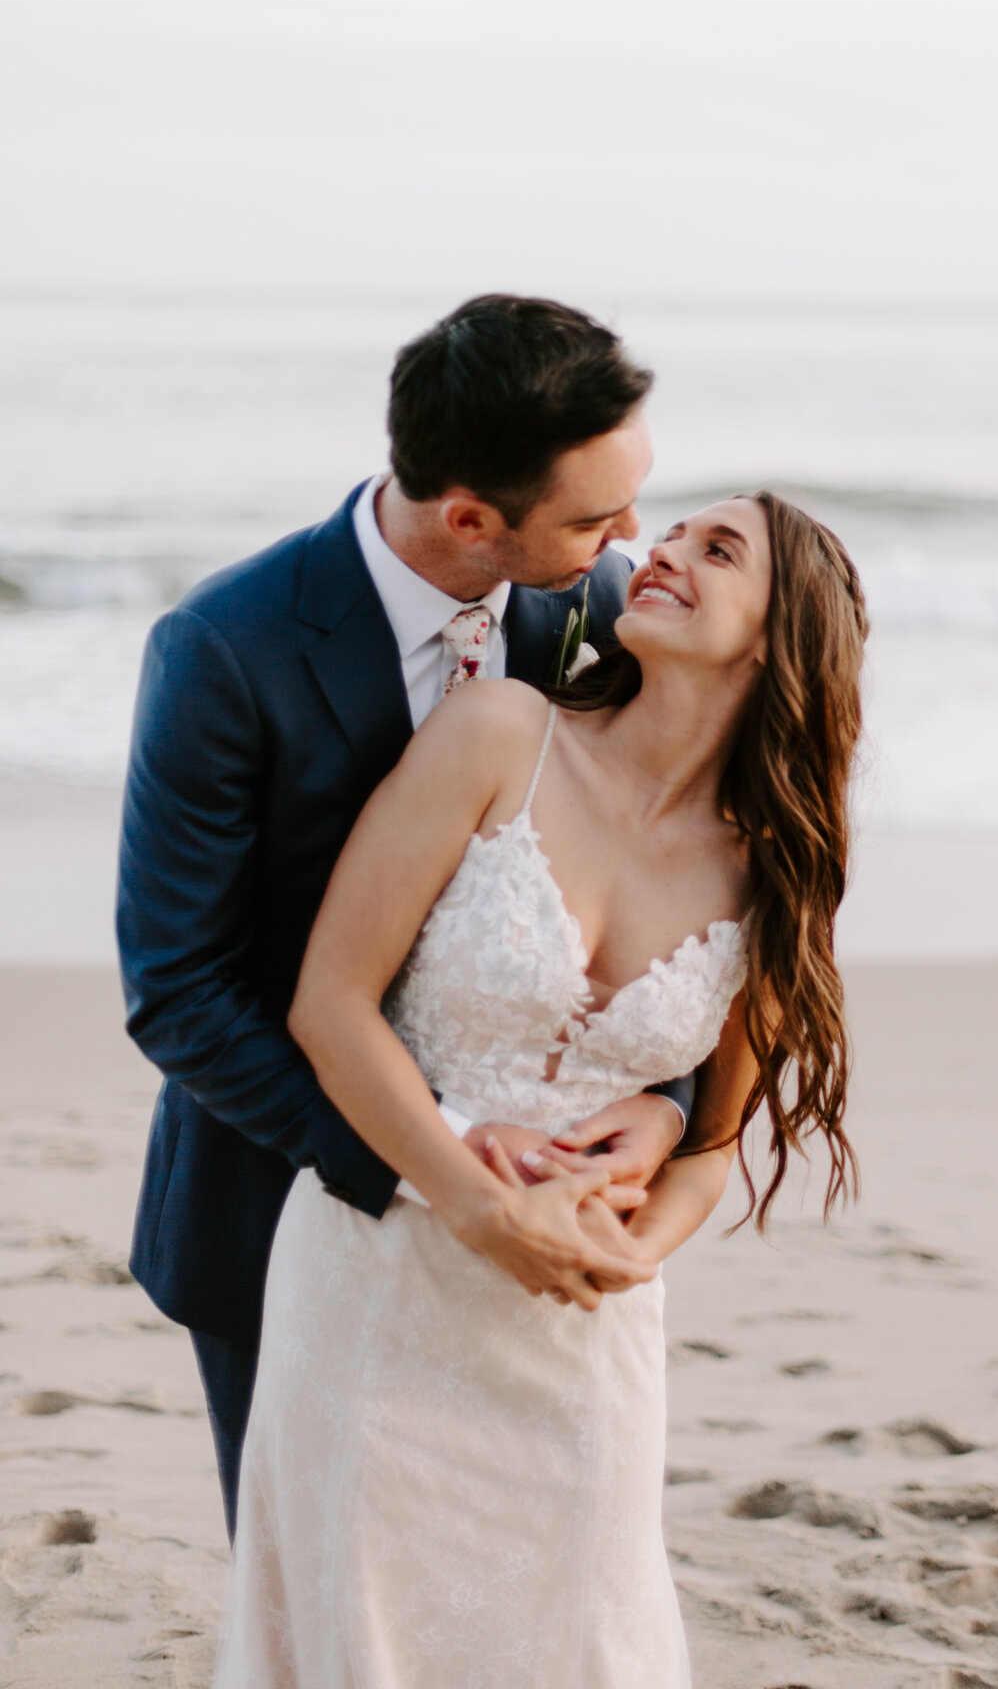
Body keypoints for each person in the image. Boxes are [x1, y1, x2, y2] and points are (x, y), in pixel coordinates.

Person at [214, 488, 867, 1688]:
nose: (661, 550)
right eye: (672, 530)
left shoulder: (774, 870)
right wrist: (474, 1198)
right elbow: (330, 1006)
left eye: (717, 551)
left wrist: (632, 1253)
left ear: (782, 638)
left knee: (582, 1638)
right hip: (379, 1280)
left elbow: (709, 1141)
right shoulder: (499, 732)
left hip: (581, 1324)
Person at [118, 294, 696, 1542]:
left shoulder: (599, 616)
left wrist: (665, 1103)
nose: (631, 540)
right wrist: (434, 1164)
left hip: (543, 1213)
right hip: (281, 1194)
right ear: (471, 518)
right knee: (316, 1583)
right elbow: (179, 989)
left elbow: (673, 877)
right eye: (596, 515)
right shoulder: (226, 648)